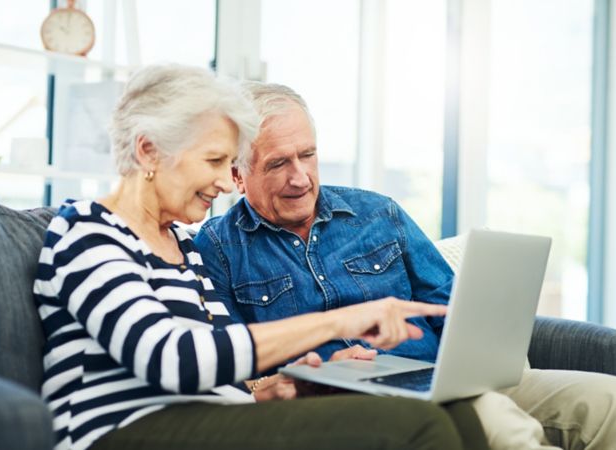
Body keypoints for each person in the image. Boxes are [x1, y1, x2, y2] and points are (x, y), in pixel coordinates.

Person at [33, 64, 490, 450]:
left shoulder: (183, 250)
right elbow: (170, 359)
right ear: (149, 150)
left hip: (205, 421)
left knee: (460, 419)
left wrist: (272, 390)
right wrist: (339, 322)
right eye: (214, 161)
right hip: (125, 433)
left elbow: (226, 371)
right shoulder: (88, 231)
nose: (228, 183)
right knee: (414, 427)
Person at [193, 81, 616, 450]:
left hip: (444, 377)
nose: (300, 177)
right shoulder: (217, 248)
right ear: (237, 174)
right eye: (277, 164)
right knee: (498, 424)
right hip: (353, 403)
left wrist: (483, 341)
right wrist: (315, 368)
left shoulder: (379, 213)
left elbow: (452, 304)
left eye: (308, 155)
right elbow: (237, 366)